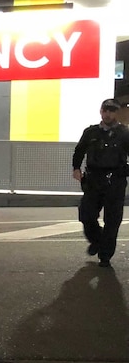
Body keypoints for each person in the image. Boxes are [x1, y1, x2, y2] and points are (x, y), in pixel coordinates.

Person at [72, 98, 129, 268]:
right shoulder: (91, 132)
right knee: (86, 214)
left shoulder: (125, 134)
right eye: (105, 110)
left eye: (111, 111)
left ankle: (105, 256)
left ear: (116, 113)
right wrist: (76, 168)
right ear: (101, 111)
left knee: (112, 220)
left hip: (116, 181)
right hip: (93, 179)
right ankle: (97, 240)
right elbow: (79, 150)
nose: (108, 114)